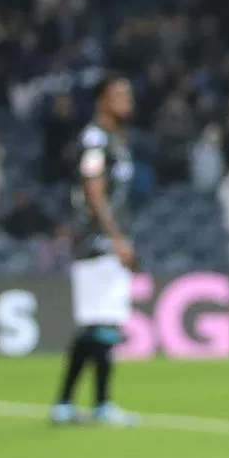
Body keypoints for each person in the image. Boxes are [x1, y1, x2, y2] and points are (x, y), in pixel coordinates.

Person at [51, 74, 140, 426]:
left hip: (103, 240)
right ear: (102, 99)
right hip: (97, 241)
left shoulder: (115, 139)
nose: (127, 100)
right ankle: (99, 404)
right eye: (119, 94)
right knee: (102, 324)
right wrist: (116, 237)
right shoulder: (96, 138)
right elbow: (93, 190)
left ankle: (66, 404)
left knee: (97, 325)